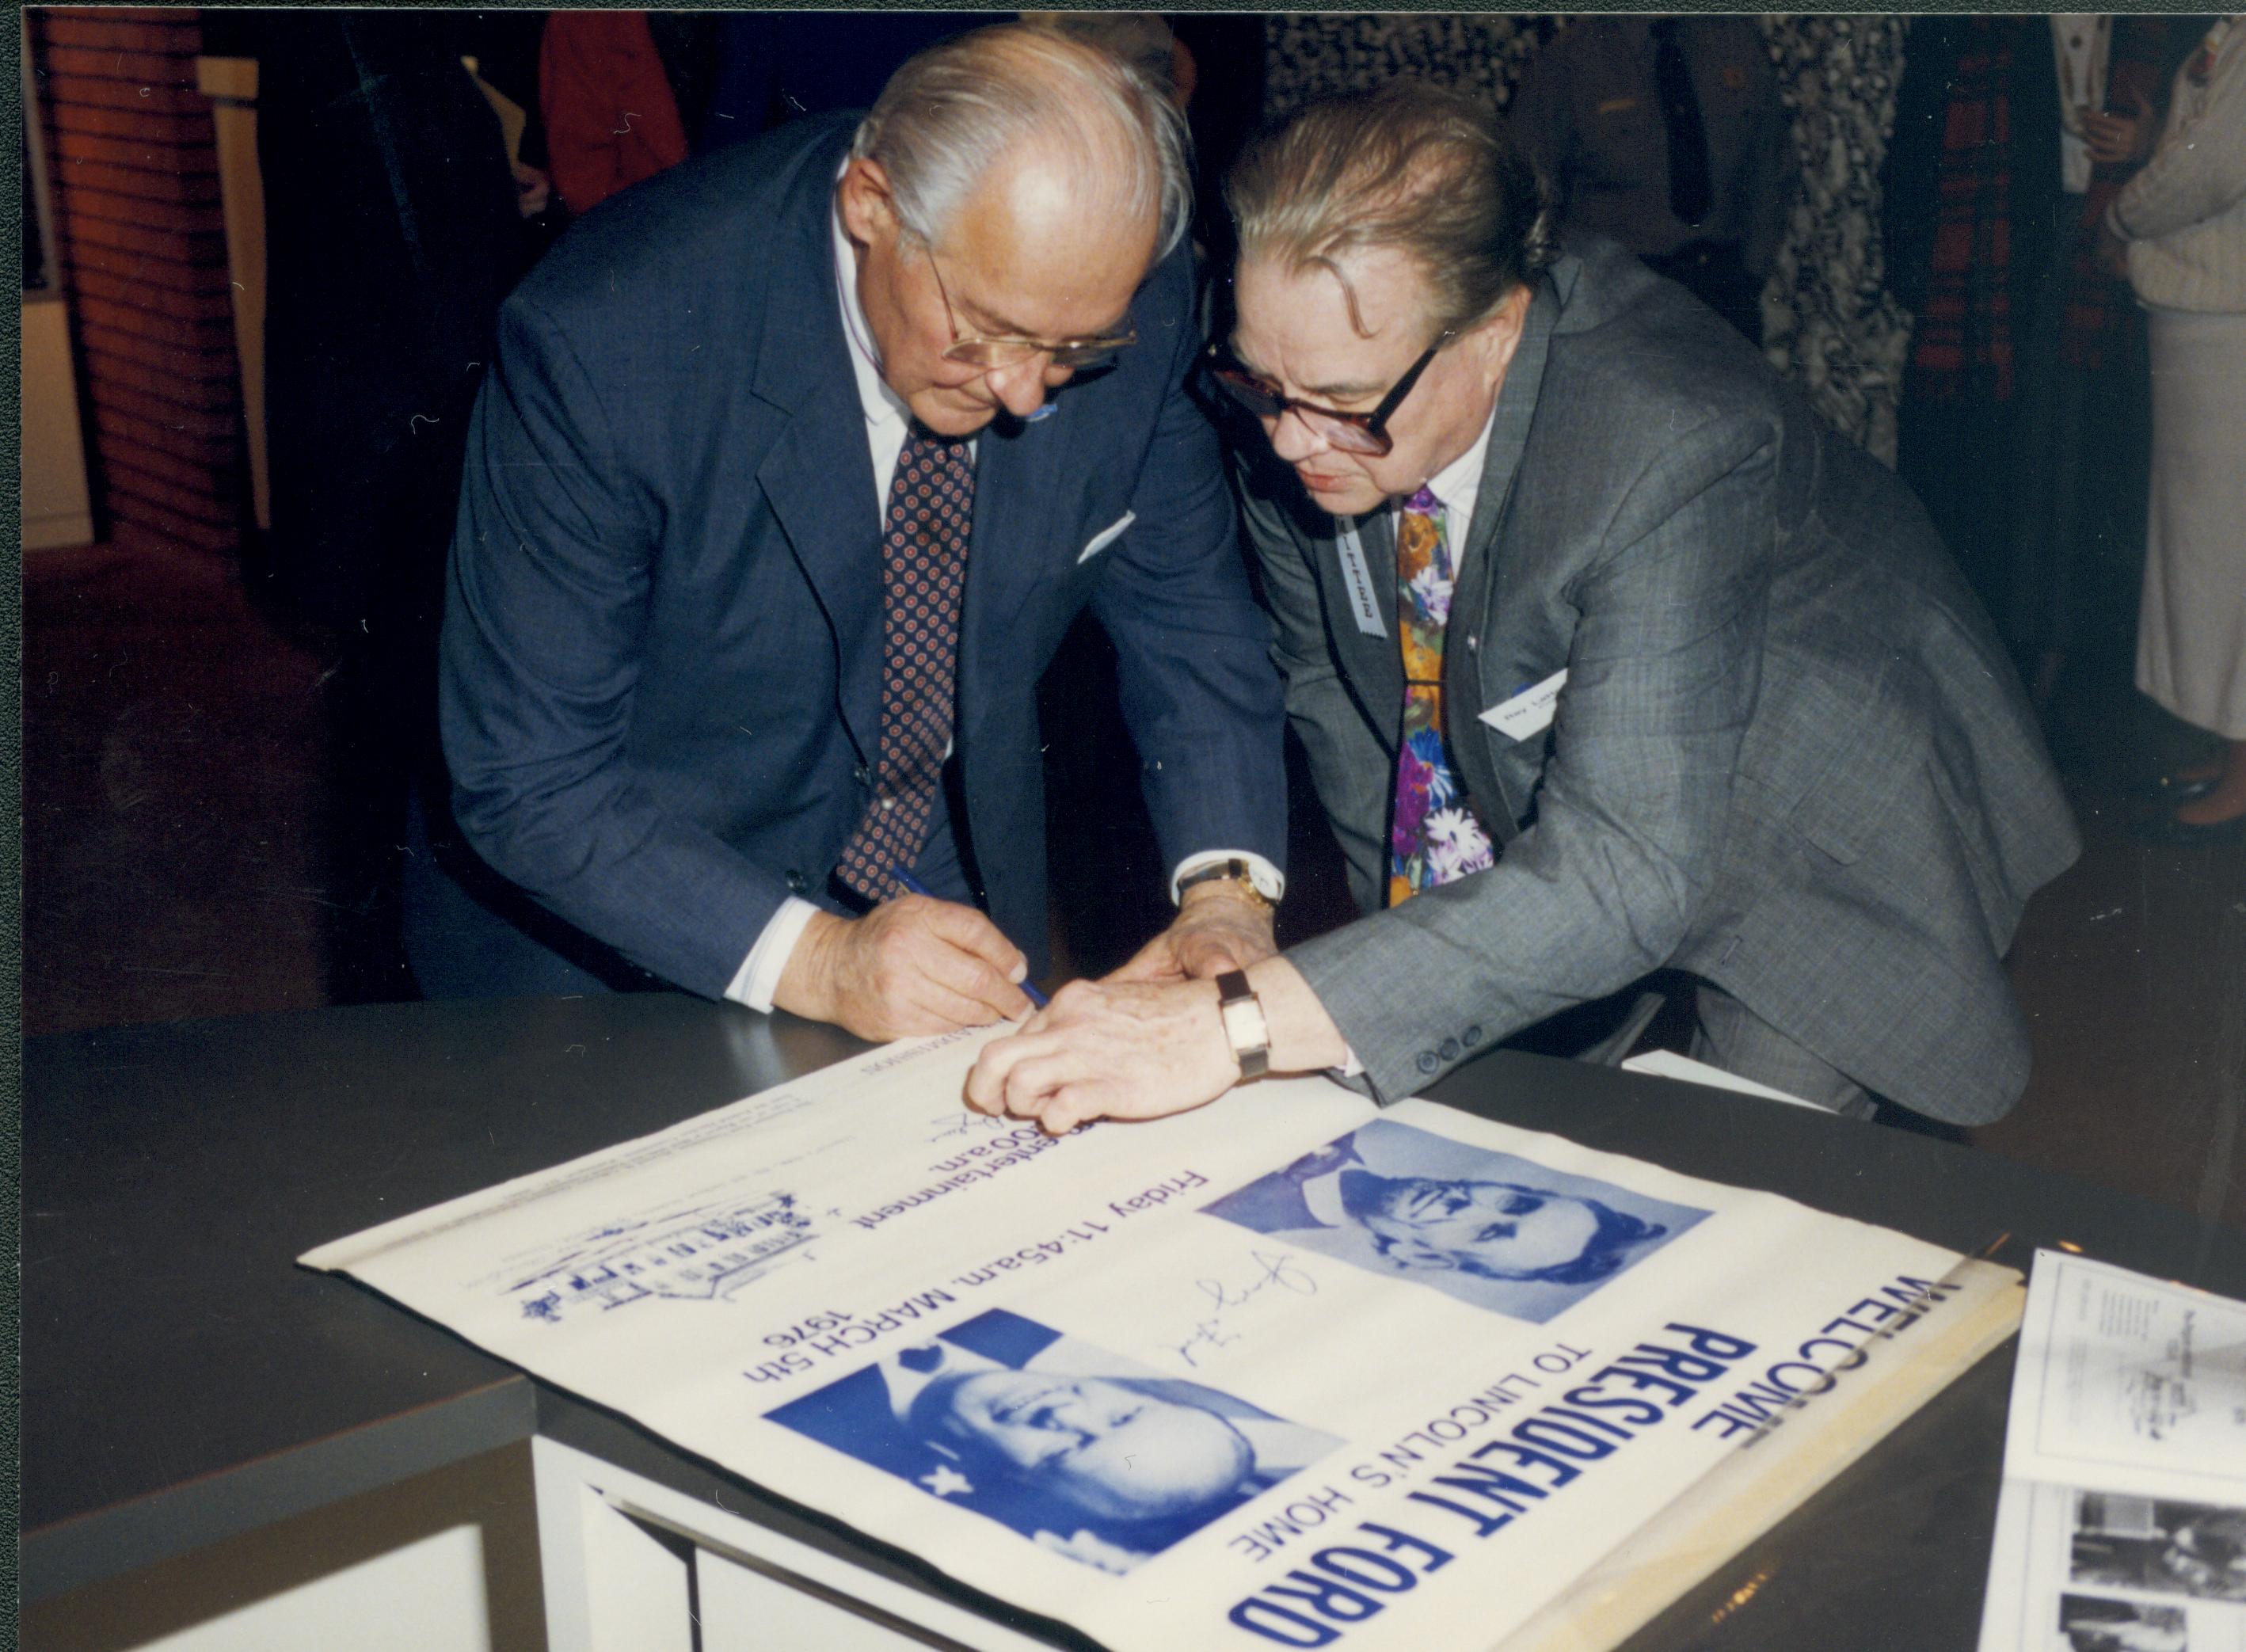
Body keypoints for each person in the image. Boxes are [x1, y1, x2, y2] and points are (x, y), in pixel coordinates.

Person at [967, 82, 2079, 1134]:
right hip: (1590, 804)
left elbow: (1628, 870)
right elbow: (1355, 717)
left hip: (1806, 799)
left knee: (1720, 1201)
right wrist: (1386, 991)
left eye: (1348, 406)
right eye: (1264, 386)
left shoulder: (1667, 442)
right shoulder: (1305, 383)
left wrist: (1244, 1025)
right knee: (1503, 1131)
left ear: (1496, 331)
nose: (1290, 441)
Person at [424, 25, 1289, 1035]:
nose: (1022, 393)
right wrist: (823, 959)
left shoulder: (1124, 297)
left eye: (1071, 352)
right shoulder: (606, 339)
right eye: (986, 333)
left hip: (935, 864)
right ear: (871, 204)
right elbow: (532, 778)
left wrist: (1227, 892)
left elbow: (1192, 622)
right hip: (628, 914)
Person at [2099, 16, 2246, 841]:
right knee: (2208, 548)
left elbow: (2210, 166)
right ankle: (2234, 746)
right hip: (2208, 319)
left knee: (2229, 553)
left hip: (2231, 328)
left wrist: (2120, 222)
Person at [1506, 15, 1795, 344]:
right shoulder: (1569, 61)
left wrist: (1748, 273)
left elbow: (1770, 168)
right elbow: (1528, 200)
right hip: (1615, 313)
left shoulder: (1734, 42)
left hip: (1723, 298)